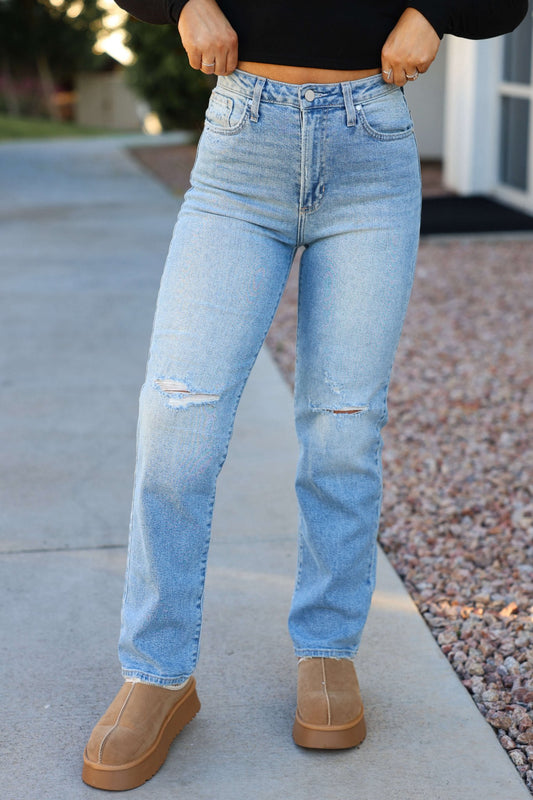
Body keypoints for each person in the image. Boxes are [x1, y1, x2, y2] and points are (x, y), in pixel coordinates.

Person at [82, 0, 528, 791]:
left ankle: (327, 652)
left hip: (371, 149)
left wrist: (435, 13)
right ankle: (156, 672)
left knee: (342, 427)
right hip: (241, 147)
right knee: (176, 417)